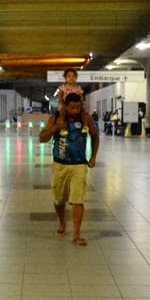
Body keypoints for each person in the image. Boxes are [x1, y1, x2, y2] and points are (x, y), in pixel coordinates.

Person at [40, 92, 98, 245]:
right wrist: (55, 129)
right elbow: (42, 137)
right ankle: (62, 223)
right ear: (65, 106)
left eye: (78, 107)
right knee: (59, 199)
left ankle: (77, 234)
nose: (75, 110)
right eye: (72, 107)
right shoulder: (57, 117)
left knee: (77, 200)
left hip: (79, 165)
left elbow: (95, 135)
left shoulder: (86, 118)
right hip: (60, 164)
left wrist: (93, 156)